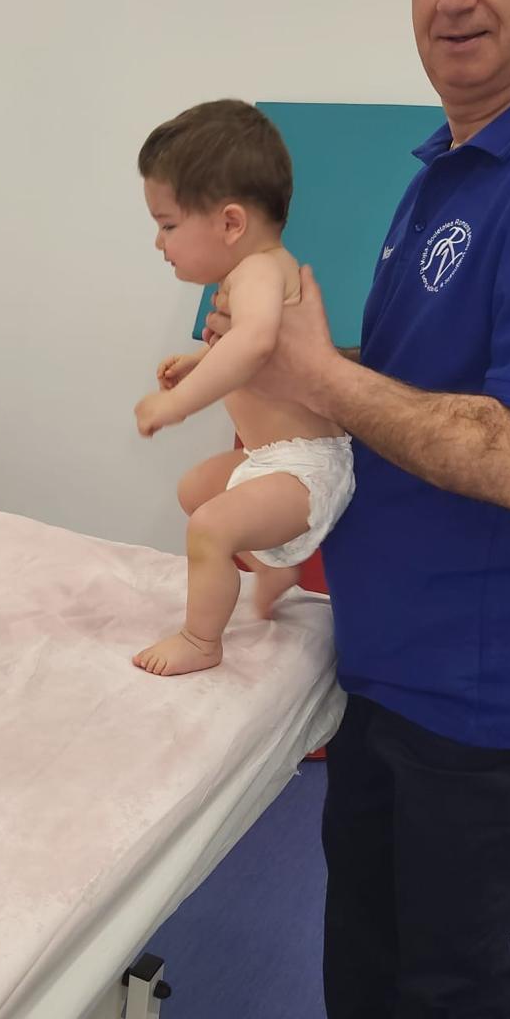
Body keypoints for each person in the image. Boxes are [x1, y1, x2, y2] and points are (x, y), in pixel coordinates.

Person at [202, 0, 510, 1019]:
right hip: (388, 652)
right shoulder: (439, 171)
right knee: (366, 908)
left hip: (490, 683)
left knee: (454, 971)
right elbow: (400, 401)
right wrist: (279, 392)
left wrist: (319, 372)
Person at [131, 99, 354, 676]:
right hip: (270, 459)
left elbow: (253, 344)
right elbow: (249, 346)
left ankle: (201, 640)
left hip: (307, 467)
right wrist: (197, 360)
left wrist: (177, 404)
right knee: (195, 490)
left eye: (168, 225)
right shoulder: (249, 274)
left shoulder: (259, 270)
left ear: (231, 223)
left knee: (209, 527)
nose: (159, 243)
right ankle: (273, 567)